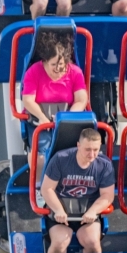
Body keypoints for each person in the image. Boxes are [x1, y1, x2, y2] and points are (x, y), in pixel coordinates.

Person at [41, 128, 115, 253]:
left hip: (87, 213)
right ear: (78, 145)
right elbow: (47, 189)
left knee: (92, 243)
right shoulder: (61, 159)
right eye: (87, 149)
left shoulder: (104, 165)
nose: (92, 154)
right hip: (61, 212)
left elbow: (107, 195)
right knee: (59, 243)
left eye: (95, 150)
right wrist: (58, 210)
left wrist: (93, 211)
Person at [22, 31, 88, 166]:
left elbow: (81, 99)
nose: (57, 69)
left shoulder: (75, 72)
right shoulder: (34, 71)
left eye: (62, 66)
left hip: (66, 117)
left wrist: (67, 117)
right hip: (39, 118)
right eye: (53, 65)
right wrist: (42, 117)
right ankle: (39, 184)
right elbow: (28, 100)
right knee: (41, 155)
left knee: (76, 152)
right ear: (45, 61)